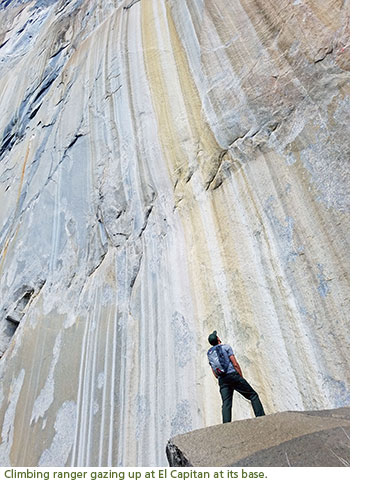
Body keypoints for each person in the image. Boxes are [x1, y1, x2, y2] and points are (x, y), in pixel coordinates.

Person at [207, 330, 265, 423]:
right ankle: (262, 419)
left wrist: (222, 378)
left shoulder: (210, 353)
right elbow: (235, 364)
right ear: (218, 339)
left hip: (222, 380)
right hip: (232, 375)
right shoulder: (226, 347)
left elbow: (215, 373)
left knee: (226, 404)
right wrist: (240, 377)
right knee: (253, 395)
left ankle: (226, 426)